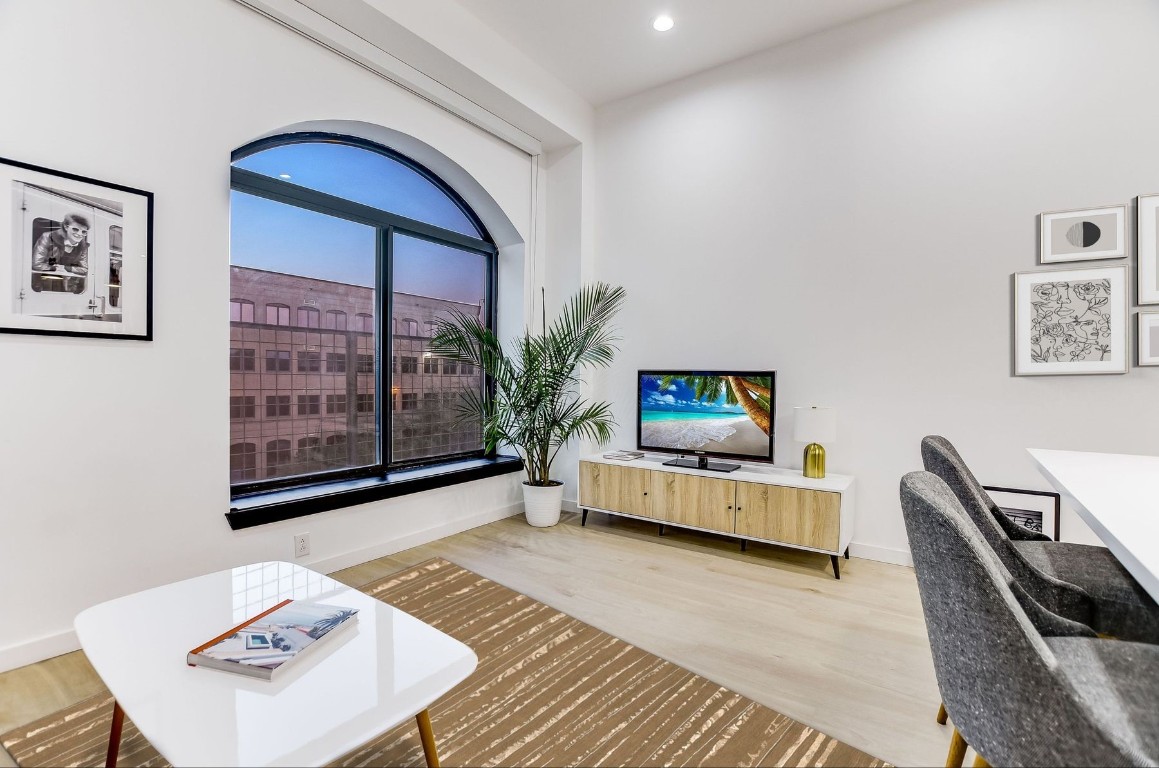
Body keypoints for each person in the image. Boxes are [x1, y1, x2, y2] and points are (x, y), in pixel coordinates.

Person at [31, 213, 90, 293]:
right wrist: (54, 268)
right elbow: (36, 264)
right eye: (75, 229)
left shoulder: (83, 246)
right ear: (66, 227)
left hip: (66, 288)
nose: (80, 234)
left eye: (84, 232)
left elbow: (84, 269)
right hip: (42, 285)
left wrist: (66, 268)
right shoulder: (47, 237)